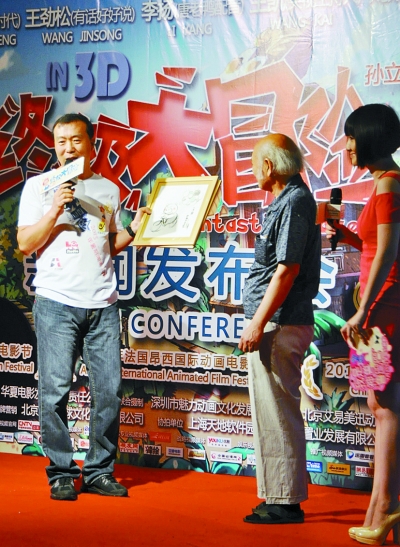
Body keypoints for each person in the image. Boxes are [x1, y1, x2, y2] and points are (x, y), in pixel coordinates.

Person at [17, 113, 150, 501]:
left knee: (109, 391)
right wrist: (54, 211)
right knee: (54, 392)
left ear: (91, 144)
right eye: (61, 141)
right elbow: (25, 243)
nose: (68, 148)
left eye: (76, 140)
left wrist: (134, 229)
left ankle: (98, 471)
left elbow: (108, 245)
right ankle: (61, 472)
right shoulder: (40, 187)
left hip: (103, 305)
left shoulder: (108, 190)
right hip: (56, 303)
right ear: (55, 146)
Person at [326, 103, 400, 545]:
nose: (347, 146)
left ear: (370, 137)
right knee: (379, 403)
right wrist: (348, 237)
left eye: (351, 137)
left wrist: (362, 309)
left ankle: (384, 507)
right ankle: (381, 508)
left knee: (384, 405)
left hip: (382, 306)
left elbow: (389, 252)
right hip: (378, 304)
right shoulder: (384, 183)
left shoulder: (389, 184)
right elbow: (376, 245)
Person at [238, 133, 321, 524]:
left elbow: (287, 270)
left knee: (278, 410)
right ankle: (277, 495)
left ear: (269, 166)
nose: (254, 171)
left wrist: (257, 322)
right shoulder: (289, 200)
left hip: (280, 322)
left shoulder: (294, 201)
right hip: (274, 320)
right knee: (270, 412)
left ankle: (286, 501)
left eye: (256, 165)